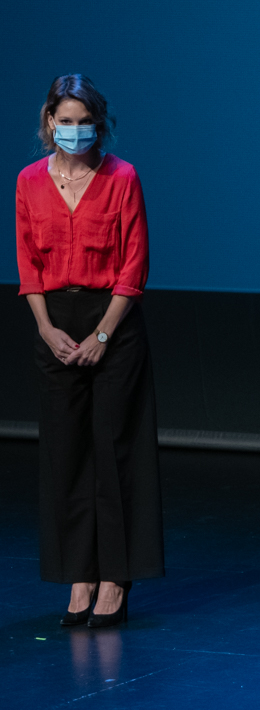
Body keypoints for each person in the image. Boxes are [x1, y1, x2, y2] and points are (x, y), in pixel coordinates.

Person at [15, 75, 163, 627]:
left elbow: (134, 264)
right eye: (65, 121)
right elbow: (28, 265)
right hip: (55, 322)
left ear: (99, 125)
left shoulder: (122, 177)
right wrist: (46, 328)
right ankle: (79, 573)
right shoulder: (29, 181)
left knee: (115, 450)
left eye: (84, 122)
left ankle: (115, 578)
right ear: (49, 122)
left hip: (112, 323)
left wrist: (102, 335)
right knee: (67, 453)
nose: (74, 131)